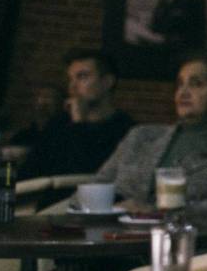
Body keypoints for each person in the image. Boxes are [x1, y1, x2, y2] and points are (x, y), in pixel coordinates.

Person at [94, 51, 207, 232]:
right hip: (114, 235)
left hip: (191, 242)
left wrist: (163, 213)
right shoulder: (141, 136)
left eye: (196, 84)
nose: (183, 92)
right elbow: (98, 186)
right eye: (180, 84)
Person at [17, 50, 135, 180]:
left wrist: (78, 124)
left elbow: (89, 173)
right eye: (70, 79)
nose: (72, 86)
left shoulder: (126, 130)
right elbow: (28, 172)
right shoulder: (59, 124)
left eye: (82, 77)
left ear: (107, 82)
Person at [8, 84, 63, 149]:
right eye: (40, 96)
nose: (42, 101)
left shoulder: (62, 133)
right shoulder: (28, 133)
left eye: (48, 97)